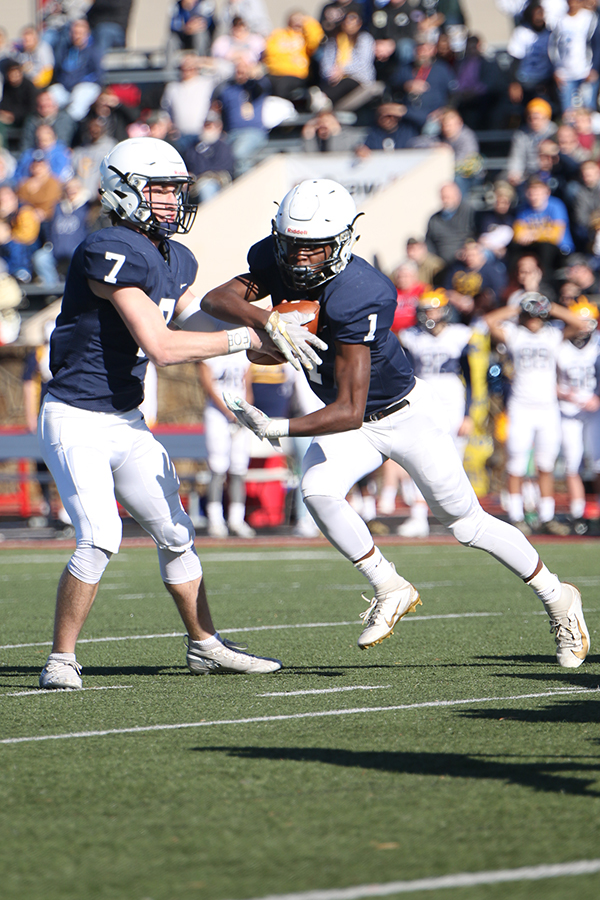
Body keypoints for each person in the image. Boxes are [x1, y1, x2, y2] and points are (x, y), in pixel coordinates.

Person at [201, 177, 590, 670]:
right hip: (352, 422)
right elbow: (215, 299)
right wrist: (267, 321)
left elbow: (349, 407)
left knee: (467, 524)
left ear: (341, 241)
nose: (300, 259)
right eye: (293, 246)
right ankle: (389, 586)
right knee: (318, 490)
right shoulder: (278, 255)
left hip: (400, 414)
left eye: (314, 249)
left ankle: (559, 598)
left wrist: (277, 429)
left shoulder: (360, 291)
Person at [35, 137, 326, 688]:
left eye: (175, 189)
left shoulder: (177, 256)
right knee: (99, 537)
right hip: (75, 417)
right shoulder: (108, 248)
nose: (172, 200)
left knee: (176, 532)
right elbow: (163, 347)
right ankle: (61, 658)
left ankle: (206, 644)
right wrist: (244, 337)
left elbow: (189, 325)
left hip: (124, 417)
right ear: (123, 189)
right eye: (160, 189)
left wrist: (269, 337)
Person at [485, 292, 588, 536]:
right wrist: (518, 307)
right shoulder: (516, 334)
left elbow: (580, 324)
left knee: (545, 463)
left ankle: (547, 515)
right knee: (516, 462)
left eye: (536, 314)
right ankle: (516, 515)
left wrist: (549, 306)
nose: (533, 319)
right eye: (529, 315)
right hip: (521, 406)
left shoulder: (552, 334)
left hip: (547, 407)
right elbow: (489, 321)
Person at [396, 288, 474, 536]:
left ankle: (462, 515)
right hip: (424, 399)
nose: (430, 313)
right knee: (422, 457)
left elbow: (470, 377)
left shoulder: (459, 335)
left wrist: (469, 413)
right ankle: (418, 516)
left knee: (455, 459)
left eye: (434, 308)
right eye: (427, 308)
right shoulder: (412, 336)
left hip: (453, 400)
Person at [197, 353, 256, 538]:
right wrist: (228, 411)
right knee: (217, 466)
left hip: (240, 414)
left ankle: (236, 519)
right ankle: (215, 520)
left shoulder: (243, 353)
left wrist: (244, 411)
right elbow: (207, 383)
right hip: (217, 414)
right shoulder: (211, 353)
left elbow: (248, 385)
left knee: (239, 466)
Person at [556, 297, 600, 528]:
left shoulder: (598, 344)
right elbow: (547, 380)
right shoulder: (559, 344)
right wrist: (564, 394)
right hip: (568, 410)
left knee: (598, 462)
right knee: (572, 462)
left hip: (595, 411)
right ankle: (577, 512)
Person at [263, 11, 324, 105]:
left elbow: (315, 40)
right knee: (261, 84)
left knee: (282, 87)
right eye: (294, 19)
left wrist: (307, 23)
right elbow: (270, 51)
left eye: (300, 19)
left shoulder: (305, 37)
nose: (297, 22)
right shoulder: (278, 34)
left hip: (296, 74)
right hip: (276, 72)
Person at [49, 18, 104, 121]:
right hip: (67, 87)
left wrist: (79, 82)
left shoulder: (93, 50)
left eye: (80, 33)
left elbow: (98, 74)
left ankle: (70, 126)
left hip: (86, 86)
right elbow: (60, 71)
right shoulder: (65, 49)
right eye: (74, 33)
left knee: (78, 98)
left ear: (87, 34)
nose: (77, 36)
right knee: (51, 94)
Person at [425, 181, 475, 265]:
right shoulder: (434, 219)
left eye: (448, 197)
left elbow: (475, 236)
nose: (445, 200)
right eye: (443, 197)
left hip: (466, 258)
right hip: (441, 262)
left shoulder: (469, 212)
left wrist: (465, 251)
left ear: (457, 196)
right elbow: (429, 244)